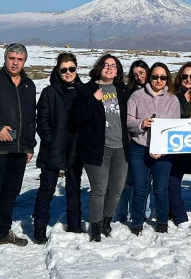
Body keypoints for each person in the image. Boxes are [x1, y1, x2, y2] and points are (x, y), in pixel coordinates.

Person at [0, 43, 36, 254]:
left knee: (11, 193)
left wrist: (30, 146)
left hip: (20, 149)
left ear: (24, 61)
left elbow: (30, 119)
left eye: (19, 59)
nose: (15, 62)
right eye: (12, 58)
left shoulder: (29, 85)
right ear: (5, 58)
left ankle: (3, 231)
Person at [71, 54, 129, 242]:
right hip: (98, 148)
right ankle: (95, 227)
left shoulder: (122, 90)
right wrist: (93, 100)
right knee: (99, 189)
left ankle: (106, 220)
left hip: (120, 147)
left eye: (113, 65)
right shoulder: (87, 90)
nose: (109, 68)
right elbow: (76, 118)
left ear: (118, 70)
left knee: (117, 188)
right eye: (106, 65)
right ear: (99, 68)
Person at [32, 53, 84, 243]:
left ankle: (75, 225)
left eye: (72, 69)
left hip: (75, 148)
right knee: (47, 189)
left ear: (76, 68)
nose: (68, 73)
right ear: (57, 70)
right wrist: (51, 140)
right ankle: (39, 229)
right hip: (53, 148)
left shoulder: (82, 90)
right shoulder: (49, 92)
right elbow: (42, 120)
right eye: (64, 70)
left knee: (73, 187)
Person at [127, 62, 180, 235]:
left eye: (163, 77)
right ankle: (137, 222)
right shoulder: (136, 96)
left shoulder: (172, 100)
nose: (159, 80)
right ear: (150, 77)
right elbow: (128, 122)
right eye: (155, 77)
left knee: (161, 188)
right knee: (140, 188)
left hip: (163, 151)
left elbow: (175, 128)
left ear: (167, 79)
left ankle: (162, 221)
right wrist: (141, 124)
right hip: (139, 147)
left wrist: (163, 149)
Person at [114, 60, 151, 223]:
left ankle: (145, 212)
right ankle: (121, 214)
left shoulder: (154, 92)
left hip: (150, 141)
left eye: (142, 73)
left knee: (144, 182)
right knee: (127, 182)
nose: (139, 77)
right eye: (135, 74)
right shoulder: (128, 93)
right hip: (129, 141)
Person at [168, 62, 191, 226]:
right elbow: (167, 118)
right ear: (179, 77)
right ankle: (180, 216)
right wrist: (185, 122)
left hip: (188, 146)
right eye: (185, 76)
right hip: (172, 144)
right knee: (173, 180)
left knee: (175, 179)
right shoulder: (171, 95)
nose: (188, 79)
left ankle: (168, 211)